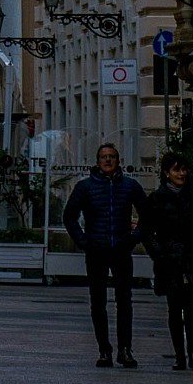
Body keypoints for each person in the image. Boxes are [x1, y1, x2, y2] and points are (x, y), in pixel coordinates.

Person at [62, 141, 147, 368]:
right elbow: (69, 217)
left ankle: (125, 349)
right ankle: (104, 350)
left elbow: (148, 215)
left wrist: (133, 237)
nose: (107, 160)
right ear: (97, 162)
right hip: (96, 250)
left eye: (111, 156)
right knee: (98, 302)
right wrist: (84, 242)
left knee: (124, 301)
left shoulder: (130, 186)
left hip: (121, 248)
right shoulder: (85, 187)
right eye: (103, 156)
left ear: (118, 161)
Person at [144, 152, 193, 370]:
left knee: (190, 306)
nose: (181, 174)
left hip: (191, 257)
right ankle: (179, 354)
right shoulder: (157, 198)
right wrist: (159, 253)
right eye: (176, 170)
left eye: (183, 169)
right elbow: (147, 230)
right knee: (173, 307)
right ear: (166, 173)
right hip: (169, 260)